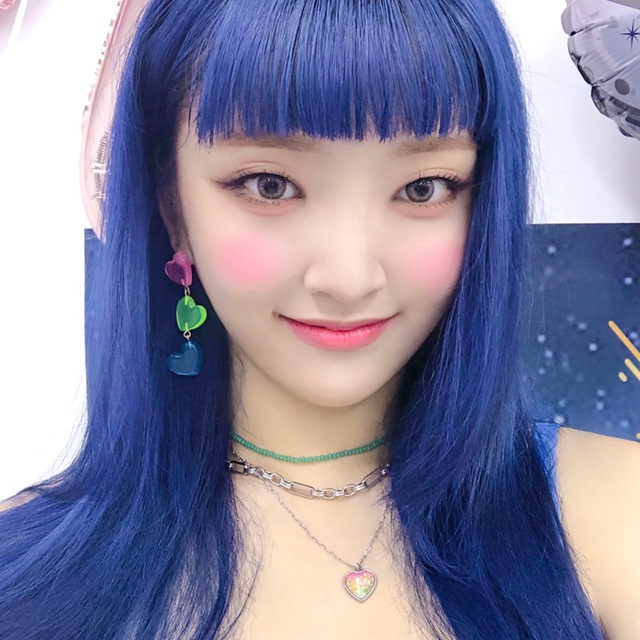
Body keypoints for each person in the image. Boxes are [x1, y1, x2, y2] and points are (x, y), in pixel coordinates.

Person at [0, 0, 638, 638]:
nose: (348, 278)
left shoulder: (613, 507)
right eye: (269, 185)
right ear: (172, 206)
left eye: (423, 188)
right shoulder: (24, 577)